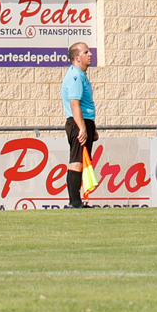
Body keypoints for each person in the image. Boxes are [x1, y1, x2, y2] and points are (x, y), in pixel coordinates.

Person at [61, 41, 97, 208]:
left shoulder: (81, 75)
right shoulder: (75, 76)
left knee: (82, 161)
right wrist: (82, 127)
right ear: (76, 58)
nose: (90, 54)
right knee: (76, 161)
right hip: (77, 123)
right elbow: (74, 104)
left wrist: (91, 126)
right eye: (86, 52)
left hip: (84, 122)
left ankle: (78, 201)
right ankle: (74, 202)